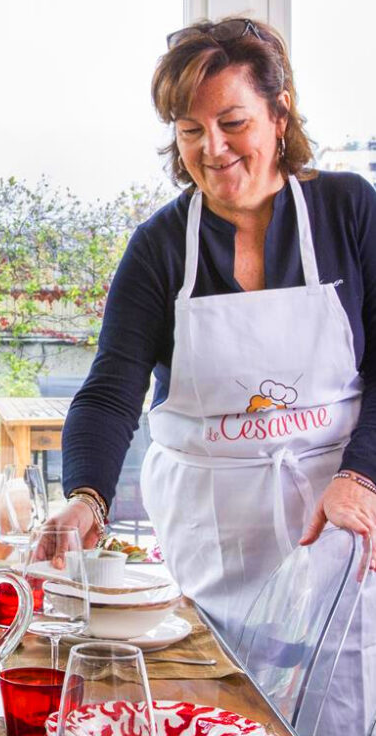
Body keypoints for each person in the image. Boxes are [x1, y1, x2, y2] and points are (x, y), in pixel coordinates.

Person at [49, 17, 376, 649]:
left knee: (338, 698)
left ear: (279, 114)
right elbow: (111, 391)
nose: (213, 149)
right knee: (208, 695)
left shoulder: (349, 210)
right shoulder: (159, 246)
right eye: (191, 130)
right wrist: (87, 497)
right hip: (210, 544)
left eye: (233, 123)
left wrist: (362, 477)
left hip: (337, 528)